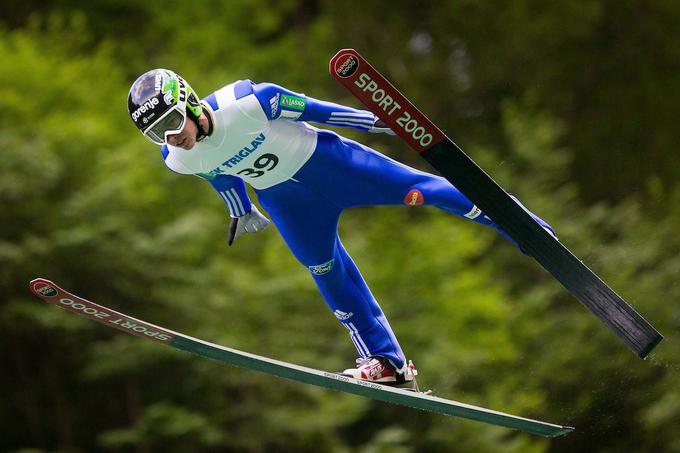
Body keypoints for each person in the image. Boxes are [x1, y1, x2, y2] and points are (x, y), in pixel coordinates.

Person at [127, 68, 555, 386]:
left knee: (426, 190)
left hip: (331, 165)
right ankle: (387, 363)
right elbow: (218, 173)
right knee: (325, 271)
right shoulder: (179, 158)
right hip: (287, 203)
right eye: (155, 134)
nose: (169, 138)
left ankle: (523, 227)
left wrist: (379, 122)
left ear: (190, 104)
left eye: (170, 123)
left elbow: (320, 110)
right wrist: (239, 209)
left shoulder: (251, 103)